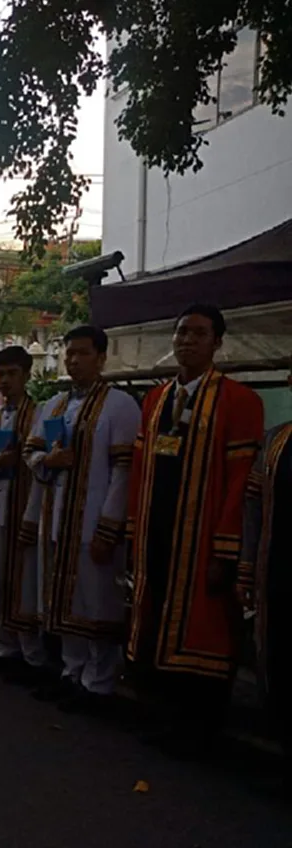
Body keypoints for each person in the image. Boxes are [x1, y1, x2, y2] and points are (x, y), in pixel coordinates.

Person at [126, 304, 265, 756]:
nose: (187, 340)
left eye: (199, 333)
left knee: (203, 630)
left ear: (217, 342)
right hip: (158, 533)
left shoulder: (239, 401)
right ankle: (164, 718)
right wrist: (133, 528)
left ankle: (201, 731)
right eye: (181, 332)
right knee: (156, 621)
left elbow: (240, 481)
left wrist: (226, 549)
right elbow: (141, 468)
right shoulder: (156, 400)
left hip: (202, 540)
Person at [27, 325, 141, 713]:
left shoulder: (120, 406)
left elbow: (124, 470)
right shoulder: (54, 405)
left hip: (94, 520)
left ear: (101, 357)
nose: (74, 360)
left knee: (98, 600)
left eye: (83, 353)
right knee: (63, 598)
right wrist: (49, 460)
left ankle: (100, 682)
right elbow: (31, 453)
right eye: (69, 354)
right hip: (56, 516)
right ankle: (71, 672)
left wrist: (109, 525)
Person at [0, 346, 48, 676]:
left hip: (28, 507)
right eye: (0, 374)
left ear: (27, 375)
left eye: (11, 374)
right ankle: (4, 647)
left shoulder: (40, 414)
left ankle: (33, 656)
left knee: (26, 581)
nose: (4, 381)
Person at [240, 366, 292, 791]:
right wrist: (245, 567)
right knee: (277, 660)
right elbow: (253, 508)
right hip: (276, 571)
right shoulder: (276, 441)